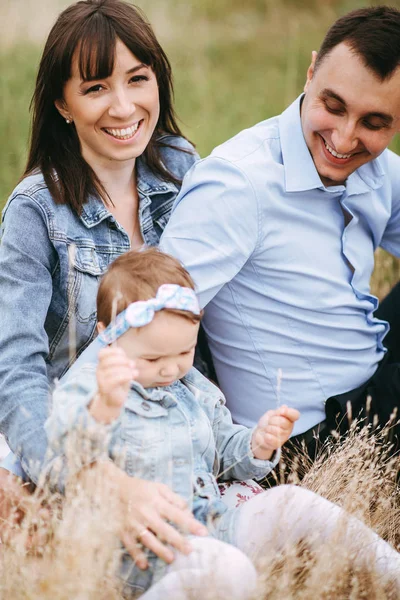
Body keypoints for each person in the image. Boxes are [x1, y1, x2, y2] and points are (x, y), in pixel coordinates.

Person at [44, 247, 400, 599]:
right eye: (152, 358)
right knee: (231, 571)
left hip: (210, 522)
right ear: (108, 335)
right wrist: (105, 405)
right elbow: (66, 448)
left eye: (184, 353)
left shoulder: (191, 388)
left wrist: (257, 443)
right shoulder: (94, 384)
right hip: (141, 550)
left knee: (292, 501)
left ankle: (392, 573)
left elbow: (223, 454)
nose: (170, 369)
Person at [0, 0, 207, 561]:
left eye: (137, 79)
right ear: (62, 104)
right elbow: (17, 367)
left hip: (169, 412)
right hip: (76, 421)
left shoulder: (183, 169)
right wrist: (80, 471)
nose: (123, 106)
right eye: (95, 88)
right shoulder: (35, 209)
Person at [157, 6, 400, 456]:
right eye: (333, 106)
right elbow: (146, 321)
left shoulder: (382, 171)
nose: (345, 140)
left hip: (375, 381)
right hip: (303, 441)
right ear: (310, 73)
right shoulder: (237, 184)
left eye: (373, 123)